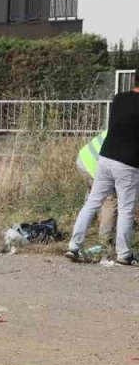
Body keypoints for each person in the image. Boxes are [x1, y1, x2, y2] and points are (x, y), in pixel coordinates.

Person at [66, 82, 139, 264]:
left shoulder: (119, 99)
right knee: (125, 209)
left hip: (105, 157)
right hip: (128, 163)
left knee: (92, 202)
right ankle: (123, 253)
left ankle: (74, 246)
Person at [76, 130, 117, 243]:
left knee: (92, 199)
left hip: (84, 158)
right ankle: (105, 243)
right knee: (109, 202)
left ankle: (79, 237)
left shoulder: (123, 120)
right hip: (95, 164)